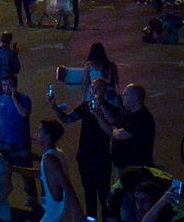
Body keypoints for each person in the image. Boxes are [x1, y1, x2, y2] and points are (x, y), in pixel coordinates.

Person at [51, 76, 119, 221]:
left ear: (104, 91)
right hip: (85, 156)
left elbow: (113, 121)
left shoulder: (110, 108)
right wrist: (54, 106)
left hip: (102, 157)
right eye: (92, 87)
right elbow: (67, 119)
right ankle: (91, 218)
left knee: (103, 192)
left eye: (97, 88)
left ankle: (106, 218)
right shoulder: (85, 106)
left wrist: (100, 106)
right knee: (89, 192)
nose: (93, 91)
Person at [24, 119, 85, 222]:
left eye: (39, 131)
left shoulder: (50, 159)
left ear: (47, 136)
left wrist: (79, 214)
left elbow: (66, 185)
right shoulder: (57, 153)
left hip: (55, 214)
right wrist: (13, 168)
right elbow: (40, 174)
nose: (36, 133)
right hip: (57, 212)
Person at [0, 73, 38, 214]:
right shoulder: (1, 99)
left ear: (15, 86)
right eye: (3, 85)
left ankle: (32, 197)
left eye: (9, 85)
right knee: (4, 173)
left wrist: (14, 97)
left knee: (26, 174)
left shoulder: (24, 99)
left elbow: (24, 113)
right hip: (5, 144)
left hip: (21, 144)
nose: (6, 88)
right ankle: (2, 197)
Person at [98, 83, 156, 172]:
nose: (122, 97)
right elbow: (114, 121)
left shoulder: (142, 118)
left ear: (135, 98)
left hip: (135, 168)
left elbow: (118, 135)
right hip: (125, 166)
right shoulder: (130, 113)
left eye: (125, 95)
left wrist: (99, 117)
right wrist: (100, 107)